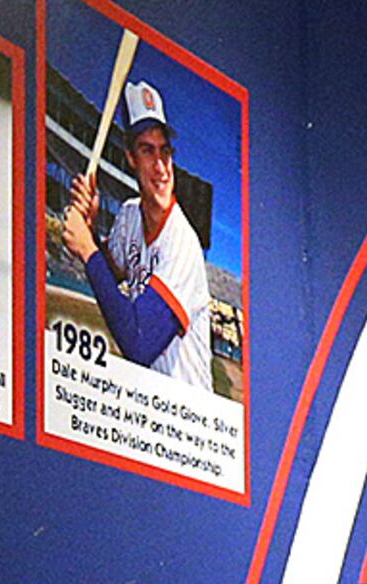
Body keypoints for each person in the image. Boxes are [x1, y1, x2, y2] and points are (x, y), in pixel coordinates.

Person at [53, 81, 211, 392]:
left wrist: (87, 249)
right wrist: (92, 227)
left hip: (191, 416)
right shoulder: (128, 216)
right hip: (150, 408)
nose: (161, 167)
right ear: (131, 158)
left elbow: (139, 343)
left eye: (165, 152)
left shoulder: (182, 243)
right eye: (147, 151)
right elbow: (110, 273)